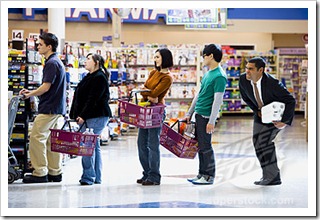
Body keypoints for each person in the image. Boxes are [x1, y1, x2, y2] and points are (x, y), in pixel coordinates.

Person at [239, 57, 296, 186]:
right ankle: (267, 175)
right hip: (260, 114)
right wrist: (256, 110)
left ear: (261, 70)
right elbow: (246, 97)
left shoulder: (272, 83)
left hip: (275, 116)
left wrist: (284, 121)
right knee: (257, 142)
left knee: (265, 141)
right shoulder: (243, 79)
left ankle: (274, 177)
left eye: (251, 69)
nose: (247, 71)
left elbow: (290, 100)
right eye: (246, 68)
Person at [19, 32, 66, 183]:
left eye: (40, 44)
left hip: (49, 108)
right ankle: (55, 172)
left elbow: (46, 87)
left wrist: (29, 94)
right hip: (57, 108)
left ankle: (40, 172)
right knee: (51, 141)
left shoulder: (51, 63)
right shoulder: (57, 62)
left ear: (49, 46)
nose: (38, 47)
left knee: (36, 138)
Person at [185, 44, 227, 185]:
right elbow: (199, 94)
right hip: (199, 114)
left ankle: (209, 176)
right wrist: (190, 112)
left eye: (204, 55)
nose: (203, 58)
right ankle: (202, 173)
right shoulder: (208, 73)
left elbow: (217, 101)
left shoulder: (220, 76)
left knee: (206, 147)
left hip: (206, 117)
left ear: (211, 56)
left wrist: (212, 121)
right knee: (201, 147)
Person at [70, 53, 112, 185]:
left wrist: (83, 115)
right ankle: (96, 176)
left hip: (96, 116)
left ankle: (88, 177)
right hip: (93, 115)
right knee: (94, 146)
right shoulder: (90, 76)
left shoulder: (99, 77)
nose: (85, 61)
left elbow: (93, 99)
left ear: (96, 62)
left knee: (87, 145)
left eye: (88, 59)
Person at [136, 48, 173, 186]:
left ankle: (154, 175)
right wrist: (148, 94)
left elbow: (154, 93)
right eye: (155, 57)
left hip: (157, 112)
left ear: (165, 58)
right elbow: (147, 92)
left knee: (152, 143)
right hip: (146, 109)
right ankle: (146, 173)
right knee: (141, 143)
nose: (155, 59)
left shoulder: (167, 77)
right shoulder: (153, 72)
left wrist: (148, 93)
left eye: (158, 57)